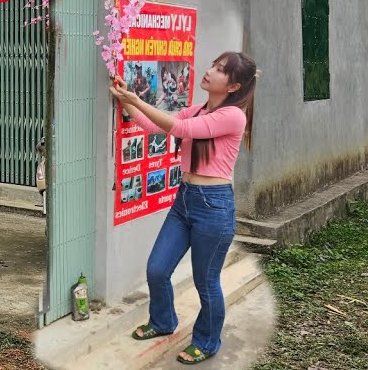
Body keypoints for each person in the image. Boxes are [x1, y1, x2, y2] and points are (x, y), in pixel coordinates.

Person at [110, 51, 259, 365]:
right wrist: (125, 99)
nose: (209, 71)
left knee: (206, 282)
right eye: (213, 65)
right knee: (157, 269)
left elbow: (184, 131)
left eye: (220, 70)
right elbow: (156, 126)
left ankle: (207, 341)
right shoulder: (200, 109)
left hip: (214, 206)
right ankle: (163, 321)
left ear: (233, 86)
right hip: (185, 199)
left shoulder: (234, 115)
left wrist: (135, 100)